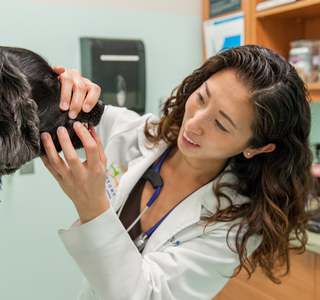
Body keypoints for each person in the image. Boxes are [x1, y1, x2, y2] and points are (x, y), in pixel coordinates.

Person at [41, 45, 317, 300]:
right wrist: (64, 89)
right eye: (201, 97)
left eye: (221, 125)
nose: (194, 124)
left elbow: (147, 295)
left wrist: (92, 205)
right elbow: (55, 112)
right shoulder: (136, 134)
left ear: (256, 147)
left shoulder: (236, 224)